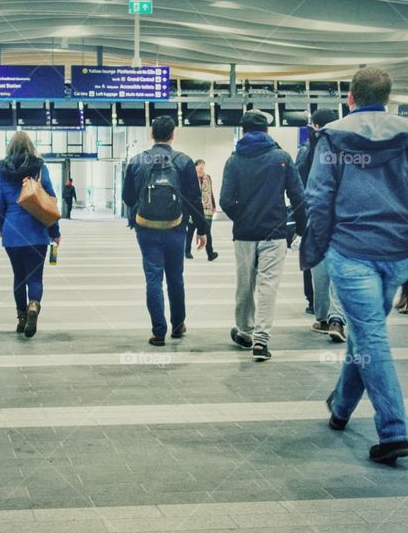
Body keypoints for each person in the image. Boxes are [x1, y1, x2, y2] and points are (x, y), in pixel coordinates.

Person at [301, 66, 408, 466]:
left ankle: (393, 431)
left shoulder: (333, 135)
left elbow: (319, 195)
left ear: (351, 97)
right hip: (396, 254)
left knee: (372, 339)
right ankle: (341, 407)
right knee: (365, 334)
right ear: (389, 97)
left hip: (352, 251)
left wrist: (319, 247)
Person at [220, 111, 306, 361]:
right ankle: (261, 341)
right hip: (275, 233)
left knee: (245, 284)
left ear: (243, 132)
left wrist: (243, 218)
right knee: (268, 286)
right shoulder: (282, 157)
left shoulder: (234, 160)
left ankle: (245, 331)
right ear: (268, 131)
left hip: (244, 235)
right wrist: (300, 228)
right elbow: (299, 198)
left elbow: (226, 200)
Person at [123, 116, 207, 346]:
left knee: (153, 278)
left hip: (146, 228)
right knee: (175, 277)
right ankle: (178, 325)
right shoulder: (183, 161)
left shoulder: (137, 161)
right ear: (172, 135)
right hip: (176, 228)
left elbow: (127, 197)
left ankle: (158, 331)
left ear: (152, 135)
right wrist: (202, 228)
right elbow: (194, 199)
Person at [0, 131, 61, 338]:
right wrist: (54, 232)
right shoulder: (39, 168)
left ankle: (22, 318)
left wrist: (3, 227)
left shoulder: (1, 169)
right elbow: (50, 200)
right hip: (37, 231)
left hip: (12, 233)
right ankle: (34, 306)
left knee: (19, 277)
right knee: (35, 277)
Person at [296, 110, 338, 316]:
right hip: (339, 213)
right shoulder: (342, 148)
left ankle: (314, 303)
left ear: (315, 125)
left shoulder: (306, 150)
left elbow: (298, 181)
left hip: (312, 210)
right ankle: (335, 312)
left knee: (310, 254)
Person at [185, 160, 219, 261]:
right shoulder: (190, 178)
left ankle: (210, 253)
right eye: (200, 165)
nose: (202, 167)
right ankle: (187, 251)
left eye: (203, 166)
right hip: (193, 209)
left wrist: (213, 205)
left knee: (207, 232)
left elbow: (210, 191)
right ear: (195, 167)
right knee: (190, 232)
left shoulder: (207, 177)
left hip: (207, 209)